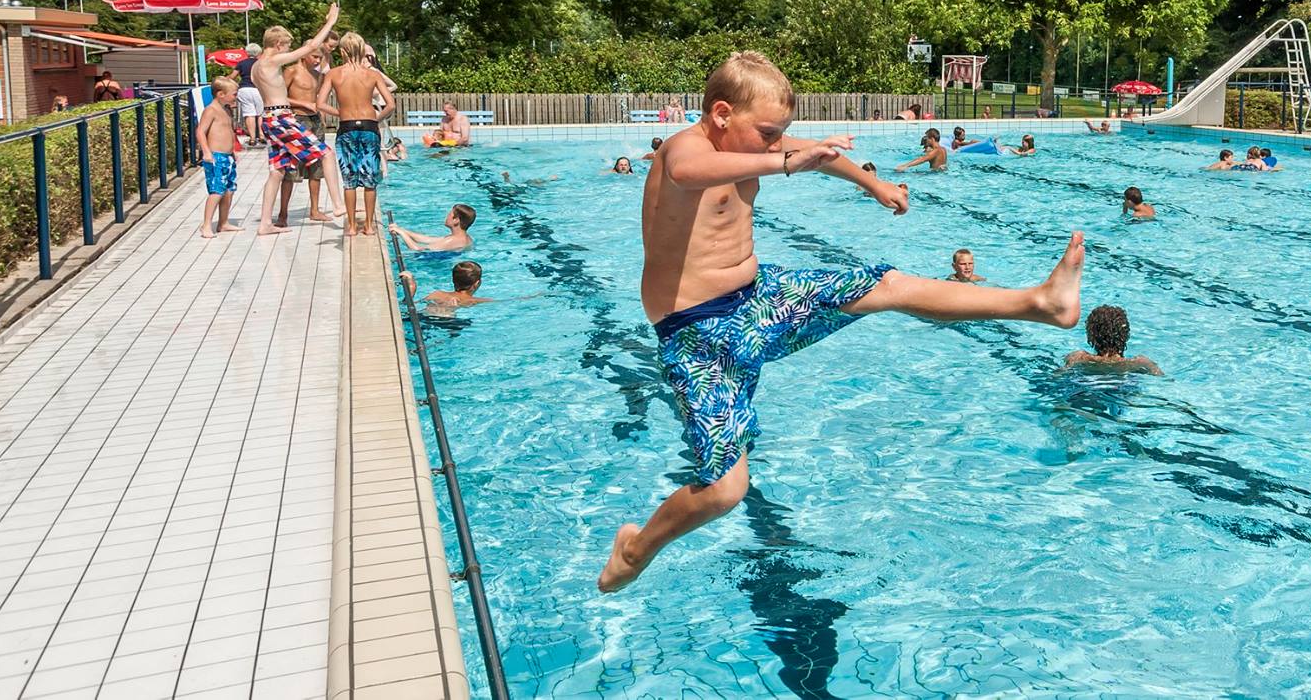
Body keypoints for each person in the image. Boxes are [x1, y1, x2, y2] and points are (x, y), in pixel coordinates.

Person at [596, 50, 1083, 593]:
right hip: (696, 333)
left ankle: (1039, 303)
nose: (774, 142)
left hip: (758, 298)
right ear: (720, 114)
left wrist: (874, 186)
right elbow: (691, 172)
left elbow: (818, 155)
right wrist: (783, 161)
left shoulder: (751, 143)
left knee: (887, 285)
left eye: (781, 133)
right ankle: (637, 549)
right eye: (766, 132)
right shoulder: (686, 149)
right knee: (724, 492)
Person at [248, 4, 345, 236]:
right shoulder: (270, 62)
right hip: (281, 117)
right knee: (327, 154)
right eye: (287, 46)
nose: (288, 50)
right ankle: (338, 205)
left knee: (277, 171)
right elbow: (311, 46)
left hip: (269, 119)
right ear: (279, 45)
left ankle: (264, 224)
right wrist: (330, 22)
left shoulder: (254, 67)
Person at [319, 32, 395, 237]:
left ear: (343, 51)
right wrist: (376, 119)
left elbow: (320, 104)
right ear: (362, 51)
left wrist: (340, 113)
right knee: (370, 180)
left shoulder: (334, 74)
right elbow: (390, 104)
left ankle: (352, 226)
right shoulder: (372, 75)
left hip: (347, 128)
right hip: (369, 127)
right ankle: (369, 226)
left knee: (349, 180)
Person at [274, 41, 333, 227]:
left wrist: (320, 116)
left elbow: (318, 98)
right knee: (290, 169)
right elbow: (279, 96)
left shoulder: (317, 75)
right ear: (304, 55)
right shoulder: (291, 71)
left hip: (314, 121)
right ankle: (282, 214)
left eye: (320, 58)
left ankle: (315, 210)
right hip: (297, 120)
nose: (317, 61)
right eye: (315, 56)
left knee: (316, 168)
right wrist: (304, 104)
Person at [195, 77, 242, 238]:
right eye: (234, 94)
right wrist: (206, 152)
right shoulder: (211, 110)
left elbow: (228, 131)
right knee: (217, 191)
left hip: (227, 156)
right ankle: (206, 225)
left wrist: (233, 150)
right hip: (215, 157)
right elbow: (200, 131)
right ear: (221, 94)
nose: (236, 97)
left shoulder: (226, 109)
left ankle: (223, 222)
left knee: (229, 190)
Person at [1062, 306, 1162, 375]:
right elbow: (1164, 380)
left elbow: (1059, 375)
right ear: (1125, 334)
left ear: (1091, 335)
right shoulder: (1141, 363)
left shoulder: (1078, 358)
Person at [400, 263, 494, 316]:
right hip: (445, 322)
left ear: (453, 279)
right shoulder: (472, 300)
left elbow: (415, 305)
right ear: (477, 283)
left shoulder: (437, 294)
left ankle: (410, 291)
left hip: (422, 316)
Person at [390, 203, 476, 253]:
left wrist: (402, 234)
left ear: (456, 220)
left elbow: (418, 249)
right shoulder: (463, 237)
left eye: (449, 215)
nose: (446, 217)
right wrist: (402, 230)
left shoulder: (452, 240)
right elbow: (427, 239)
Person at [234, 46, 266, 147]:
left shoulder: (241, 63)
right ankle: (261, 135)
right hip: (258, 89)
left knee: (249, 114)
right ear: (259, 53)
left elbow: (232, 76)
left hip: (244, 89)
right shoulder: (261, 63)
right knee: (260, 113)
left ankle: (252, 138)